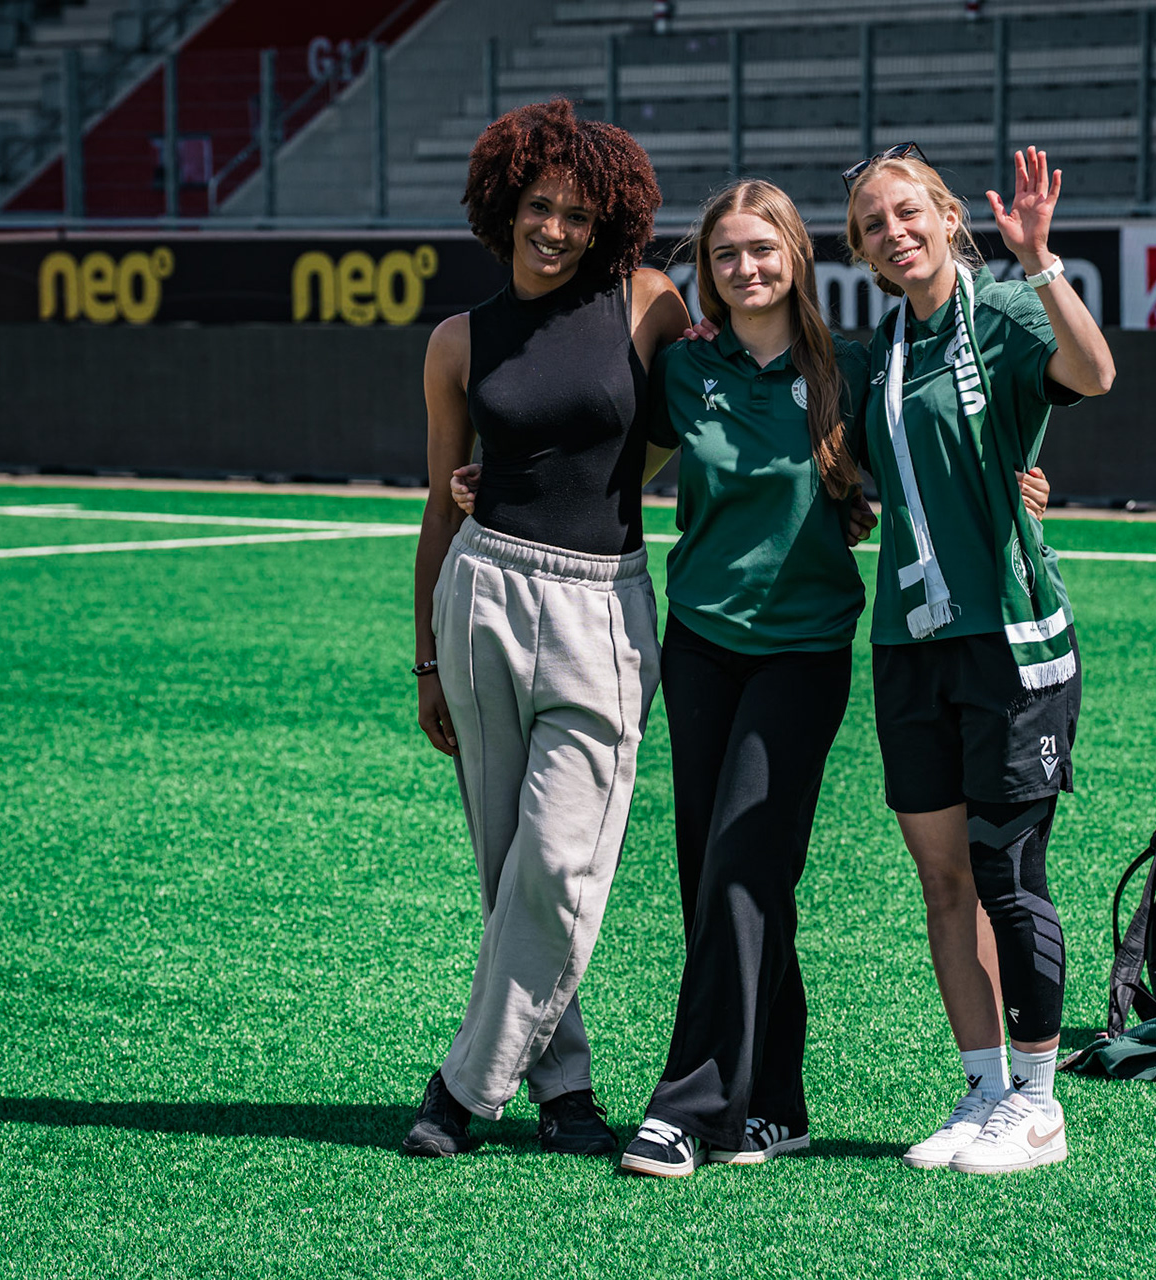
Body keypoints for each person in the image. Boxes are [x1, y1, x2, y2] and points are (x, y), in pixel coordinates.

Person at [451, 177, 1056, 1175]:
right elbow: (601, 449)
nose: (745, 267)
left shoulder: (851, 367)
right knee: (720, 876)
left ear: (796, 258)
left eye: (762, 250)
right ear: (710, 271)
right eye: (726, 254)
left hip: (805, 651)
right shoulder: (686, 368)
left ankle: (687, 1104)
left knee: (742, 859)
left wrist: (1026, 478)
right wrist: (498, 480)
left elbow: (940, 441)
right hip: (699, 648)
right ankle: (775, 1102)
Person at [402, 99, 689, 1160]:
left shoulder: (648, 304)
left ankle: (463, 1086)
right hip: (481, 597)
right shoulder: (456, 341)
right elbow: (439, 505)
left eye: (575, 212)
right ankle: (563, 1088)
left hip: (604, 604)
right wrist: (427, 655)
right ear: (502, 208)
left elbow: (679, 434)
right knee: (506, 863)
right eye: (538, 206)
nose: (555, 228)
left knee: (561, 864)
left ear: (604, 221)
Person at [843, 144, 1114, 1174]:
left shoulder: (1000, 309)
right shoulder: (875, 349)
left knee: (1008, 871)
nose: (894, 231)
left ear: (948, 215)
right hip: (909, 644)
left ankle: (1040, 1103)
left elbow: (1092, 374)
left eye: (907, 211)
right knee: (942, 879)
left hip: (1011, 640)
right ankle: (984, 1085)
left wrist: (1041, 257)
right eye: (873, 223)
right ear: (862, 249)